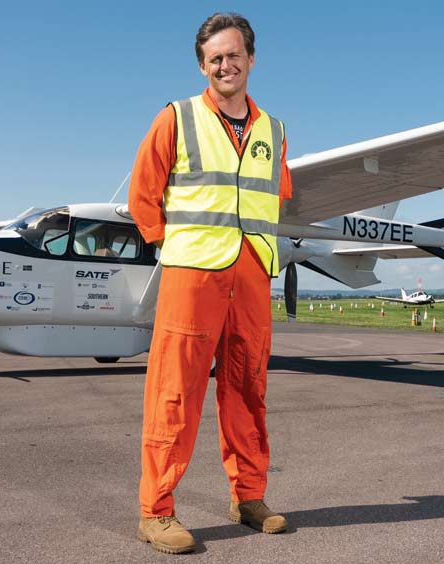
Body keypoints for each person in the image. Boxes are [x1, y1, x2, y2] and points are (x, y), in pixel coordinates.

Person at [128, 12, 292, 555]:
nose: (226, 64)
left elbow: (274, 198)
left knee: (248, 390)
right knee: (175, 393)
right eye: (215, 57)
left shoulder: (275, 130)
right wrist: (171, 248)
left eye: (234, 54)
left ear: (250, 59)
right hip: (191, 277)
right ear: (204, 65)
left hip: (250, 276)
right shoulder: (176, 118)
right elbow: (143, 196)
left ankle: (249, 497)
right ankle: (157, 512)